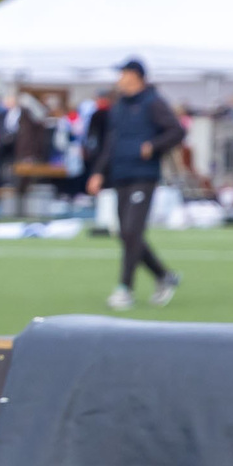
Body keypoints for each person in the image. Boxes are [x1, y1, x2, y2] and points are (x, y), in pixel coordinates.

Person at [89, 57, 185, 309]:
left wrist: (153, 146)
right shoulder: (119, 106)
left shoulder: (153, 102)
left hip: (144, 175)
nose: (119, 78)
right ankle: (163, 276)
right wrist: (99, 172)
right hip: (121, 175)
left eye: (123, 73)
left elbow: (176, 130)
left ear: (135, 76)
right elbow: (111, 142)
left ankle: (125, 288)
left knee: (132, 231)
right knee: (125, 234)